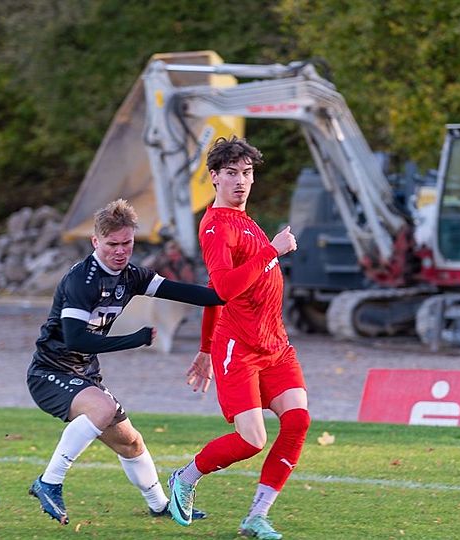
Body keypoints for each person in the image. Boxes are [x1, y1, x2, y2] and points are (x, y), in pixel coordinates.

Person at [26, 198, 219, 525]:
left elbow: (187, 293)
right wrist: (135, 339)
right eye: (112, 244)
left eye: (126, 243)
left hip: (84, 374)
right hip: (50, 373)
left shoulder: (132, 276)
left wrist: (229, 291)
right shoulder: (82, 281)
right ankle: (49, 482)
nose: (120, 251)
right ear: (95, 241)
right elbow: (75, 340)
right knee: (102, 409)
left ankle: (160, 505)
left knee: (131, 442)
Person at [167, 136, 309, 540]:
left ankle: (256, 516)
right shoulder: (216, 226)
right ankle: (185, 478)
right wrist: (272, 251)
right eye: (231, 173)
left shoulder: (246, 221)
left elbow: (214, 294)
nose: (240, 181)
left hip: (275, 345)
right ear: (214, 177)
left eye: (246, 173)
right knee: (252, 440)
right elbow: (225, 289)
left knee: (297, 420)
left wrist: (202, 350)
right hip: (240, 348)